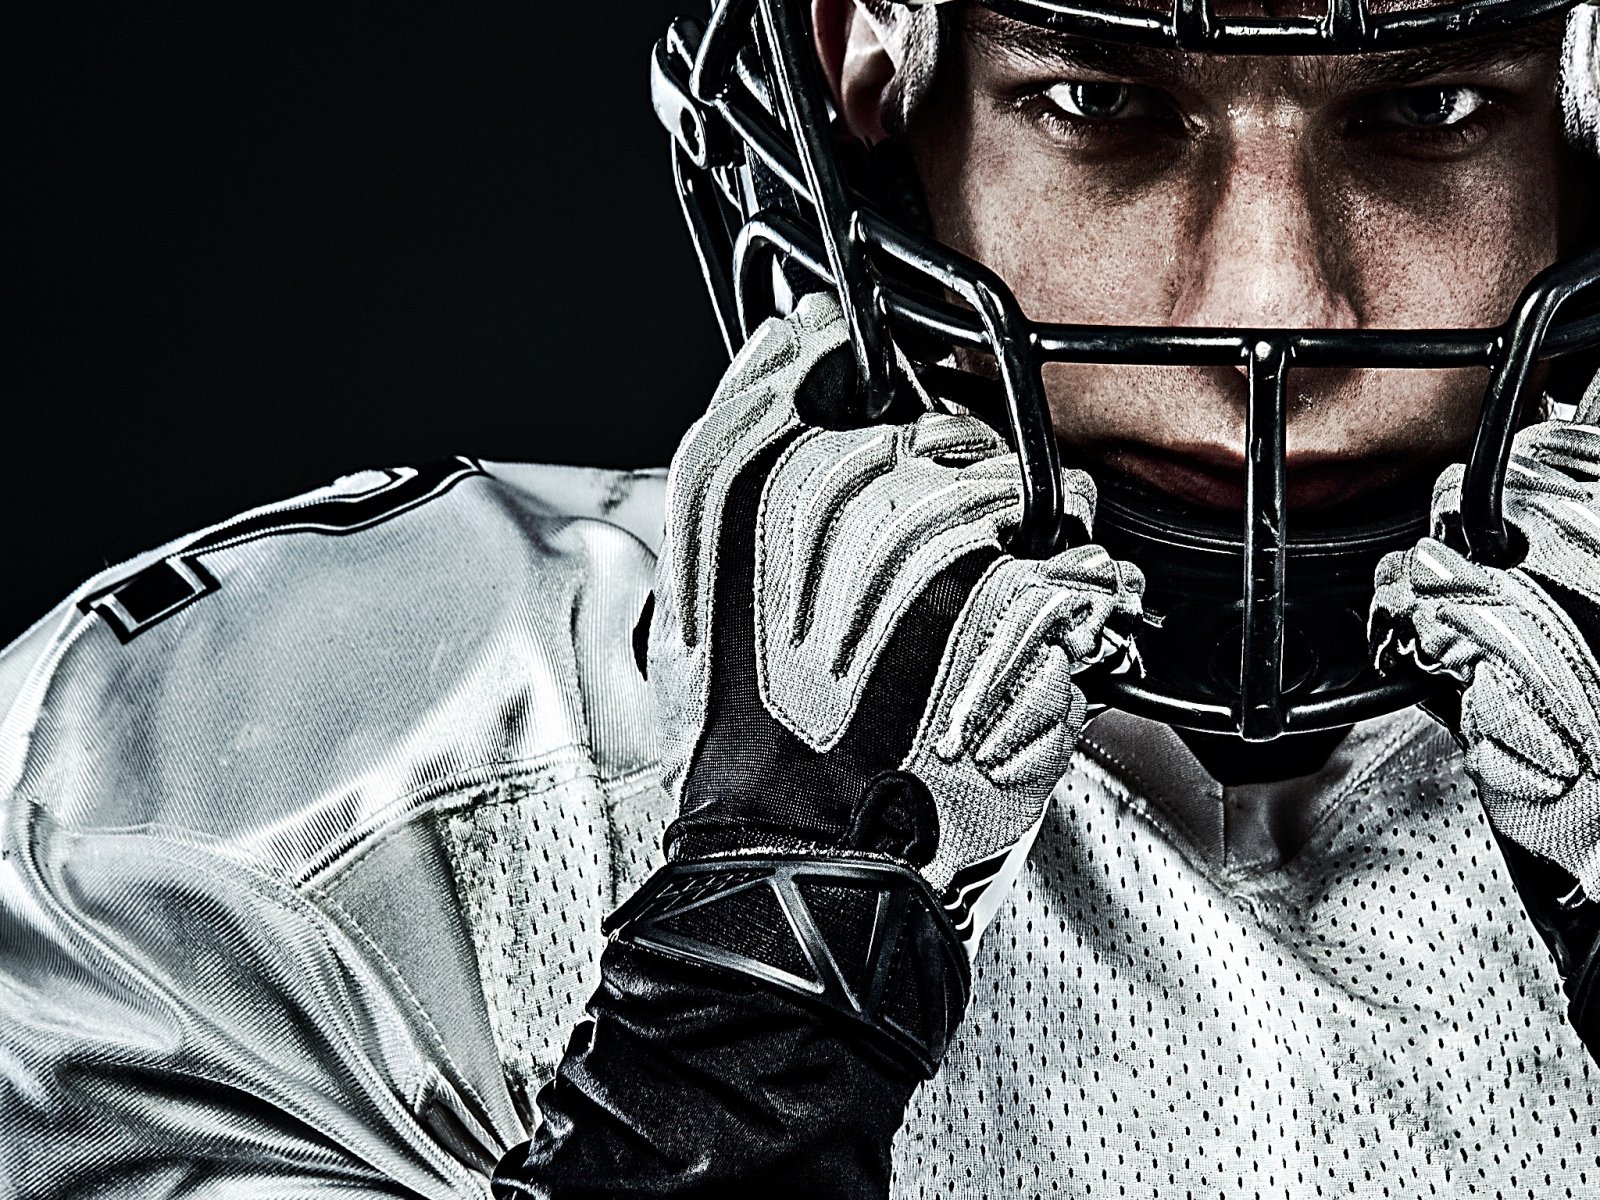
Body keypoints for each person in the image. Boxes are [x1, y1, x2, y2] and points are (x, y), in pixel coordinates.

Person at [4, 1, 1600, 1197]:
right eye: (1102, 102)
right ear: (865, 79)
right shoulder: (309, 824)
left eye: (1433, 105)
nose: (1276, 309)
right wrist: (735, 1034)